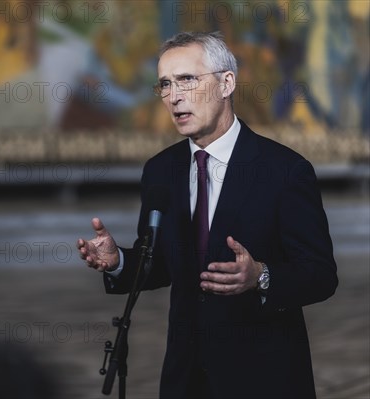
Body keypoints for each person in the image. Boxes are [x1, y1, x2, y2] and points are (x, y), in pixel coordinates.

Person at [77, 32, 337, 398]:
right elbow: (162, 264)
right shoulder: (161, 170)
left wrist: (261, 276)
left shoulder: (285, 170)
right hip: (186, 377)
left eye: (187, 80)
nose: (174, 96)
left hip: (264, 376)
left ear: (226, 83)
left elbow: (321, 275)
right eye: (165, 84)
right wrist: (119, 260)